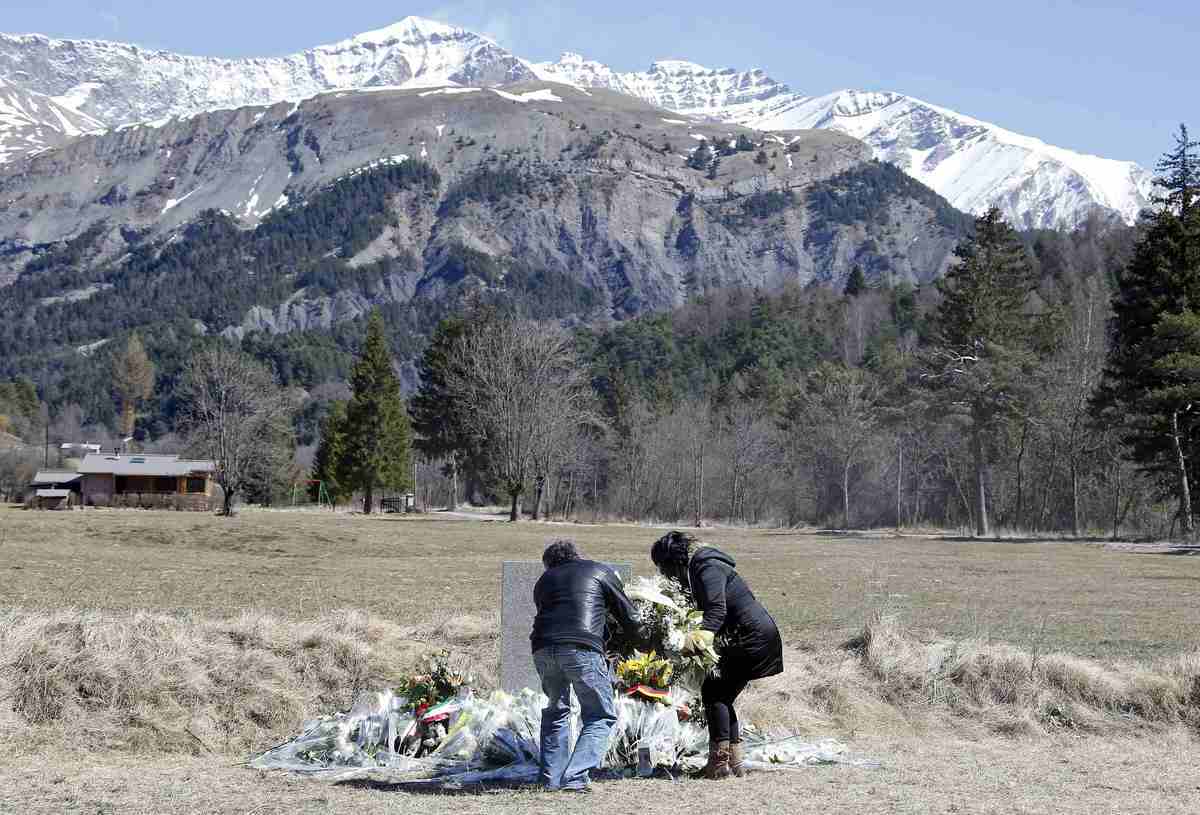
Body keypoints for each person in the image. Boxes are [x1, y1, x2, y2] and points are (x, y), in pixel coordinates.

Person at [650, 530, 783, 779]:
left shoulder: (706, 566)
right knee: (721, 694)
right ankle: (735, 762)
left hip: (750, 636)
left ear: (672, 561)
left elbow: (716, 609)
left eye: (663, 569)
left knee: (714, 692)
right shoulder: (702, 567)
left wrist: (698, 638)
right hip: (753, 634)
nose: (665, 575)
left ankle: (719, 764)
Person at [531, 539, 642, 792]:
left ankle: (551, 779)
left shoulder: (543, 581)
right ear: (576, 555)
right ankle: (575, 777)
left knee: (556, 711)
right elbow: (629, 613)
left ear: (550, 564)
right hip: (581, 646)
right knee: (600, 714)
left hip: (542, 648)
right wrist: (643, 643)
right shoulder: (599, 570)